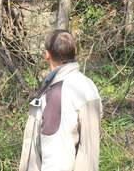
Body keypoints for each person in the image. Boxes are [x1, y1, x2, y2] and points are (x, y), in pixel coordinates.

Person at [19, 30, 102, 171]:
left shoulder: (57, 92)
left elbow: (56, 155)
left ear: (47, 55)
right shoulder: (88, 85)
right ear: (74, 51)